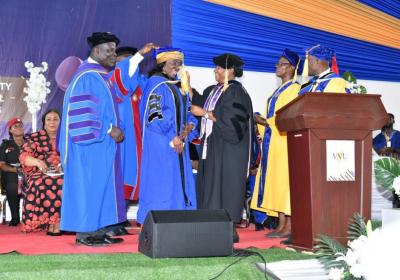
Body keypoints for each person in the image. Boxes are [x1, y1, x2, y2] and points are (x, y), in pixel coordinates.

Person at [59, 32, 157, 246]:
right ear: (96, 51)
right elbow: (83, 117)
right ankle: (84, 233)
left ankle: (96, 229)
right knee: (88, 186)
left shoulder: (101, 76)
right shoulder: (86, 77)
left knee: (100, 187)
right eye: (110, 50)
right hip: (88, 147)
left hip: (100, 147)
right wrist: (108, 130)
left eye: (114, 50)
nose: (114, 55)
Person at [192, 53, 253, 243]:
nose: (216, 71)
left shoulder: (236, 92)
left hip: (229, 148)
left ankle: (228, 230)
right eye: (216, 68)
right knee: (212, 186)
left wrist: (206, 114)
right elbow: (204, 104)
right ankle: (211, 227)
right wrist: (189, 89)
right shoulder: (214, 90)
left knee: (225, 186)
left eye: (219, 68)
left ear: (231, 71)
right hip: (214, 146)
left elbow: (234, 123)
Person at [137, 47, 197, 224]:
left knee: (178, 179)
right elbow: (154, 116)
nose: (177, 67)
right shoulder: (155, 84)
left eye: (179, 64)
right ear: (162, 65)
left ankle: (178, 217)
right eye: (173, 63)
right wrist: (173, 137)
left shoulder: (178, 87)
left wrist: (186, 131)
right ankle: (157, 220)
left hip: (179, 142)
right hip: (161, 142)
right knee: (162, 181)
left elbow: (188, 113)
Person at [250, 49, 301, 241]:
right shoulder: (278, 90)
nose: (277, 67)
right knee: (277, 183)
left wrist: (265, 122)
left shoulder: (295, 89)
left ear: (292, 68)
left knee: (285, 183)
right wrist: (261, 123)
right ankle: (280, 224)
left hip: (285, 142)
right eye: (277, 64)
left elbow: (288, 116)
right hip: (273, 143)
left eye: (282, 64)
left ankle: (289, 225)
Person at [19, 110, 63, 235]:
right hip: (40, 172)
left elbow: (77, 155)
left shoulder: (67, 136)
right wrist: (37, 162)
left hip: (65, 171)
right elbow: (23, 156)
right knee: (42, 181)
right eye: (49, 119)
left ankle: (59, 222)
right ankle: (50, 222)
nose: (52, 122)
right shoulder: (35, 137)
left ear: (61, 122)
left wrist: (64, 165)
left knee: (66, 181)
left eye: (56, 119)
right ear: (44, 123)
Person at [114, 46, 146, 204]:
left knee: (137, 174)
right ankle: (116, 220)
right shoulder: (113, 81)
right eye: (120, 63)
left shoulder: (144, 82)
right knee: (121, 175)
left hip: (141, 137)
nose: (123, 67)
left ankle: (123, 217)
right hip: (122, 135)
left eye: (128, 62)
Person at [0, 118, 26, 226]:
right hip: (11, 172)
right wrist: (16, 170)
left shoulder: (30, 143)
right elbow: (1, 164)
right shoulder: (5, 145)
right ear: (10, 130)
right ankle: (15, 217)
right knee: (12, 185)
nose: (19, 128)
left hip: (29, 173)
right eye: (15, 126)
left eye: (20, 125)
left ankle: (33, 218)